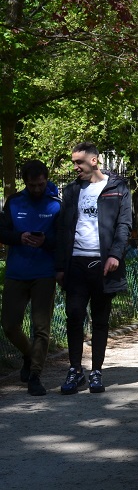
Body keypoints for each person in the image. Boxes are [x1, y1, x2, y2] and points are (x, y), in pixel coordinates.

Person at [55, 142, 132, 394]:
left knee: (100, 319)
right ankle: (75, 370)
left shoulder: (117, 188)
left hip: (103, 265)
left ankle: (96, 371)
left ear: (94, 161)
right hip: (76, 263)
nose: (75, 166)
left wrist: (115, 256)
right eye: (74, 162)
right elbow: (63, 230)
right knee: (74, 315)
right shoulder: (72, 191)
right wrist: (60, 266)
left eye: (79, 162)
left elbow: (124, 225)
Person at [0, 160, 61, 396]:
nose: (37, 189)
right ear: (24, 182)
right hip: (17, 272)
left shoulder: (56, 205)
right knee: (9, 325)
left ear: (47, 180)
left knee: (41, 328)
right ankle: (28, 354)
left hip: (44, 274)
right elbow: (2, 231)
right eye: (32, 185)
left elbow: (63, 242)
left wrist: (46, 242)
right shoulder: (14, 201)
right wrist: (19, 237)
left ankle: (35, 375)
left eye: (41, 184)